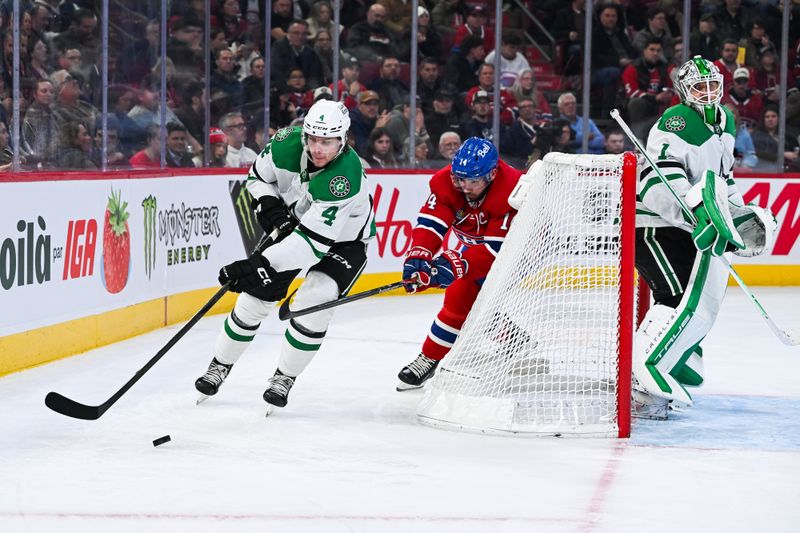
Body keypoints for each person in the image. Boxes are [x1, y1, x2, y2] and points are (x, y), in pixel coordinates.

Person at [194, 100, 375, 411]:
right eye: (313, 140)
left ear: (343, 140)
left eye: (327, 142)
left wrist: (258, 263)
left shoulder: (345, 177)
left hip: (343, 242)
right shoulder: (284, 144)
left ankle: (284, 377)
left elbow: (311, 245)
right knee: (254, 299)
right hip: (297, 227)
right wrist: (271, 208)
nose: (318, 149)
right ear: (304, 135)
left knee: (315, 301)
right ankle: (219, 365)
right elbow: (256, 178)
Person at [631, 56, 777, 420]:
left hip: (685, 228)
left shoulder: (726, 119)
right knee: (680, 298)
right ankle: (641, 378)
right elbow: (657, 181)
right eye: (699, 87)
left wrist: (735, 215)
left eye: (713, 85)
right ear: (684, 91)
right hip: (653, 225)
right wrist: (694, 211)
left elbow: (722, 179)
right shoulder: (675, 121)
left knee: (697, 297)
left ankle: (678, 359)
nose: (708, 93)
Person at [396, 137, 522, 390]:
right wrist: (418, 257)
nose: (464, 187)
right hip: (479, 247)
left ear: (493, 174)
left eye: (473, 181)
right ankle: (516, 341)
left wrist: (455, 264)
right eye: (459, 178)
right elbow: (431, 224)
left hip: (522, 252)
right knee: (474, 301)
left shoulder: (512, 192)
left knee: (462, 292)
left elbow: (495, 251)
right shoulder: (447, 185)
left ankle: (430, 356)